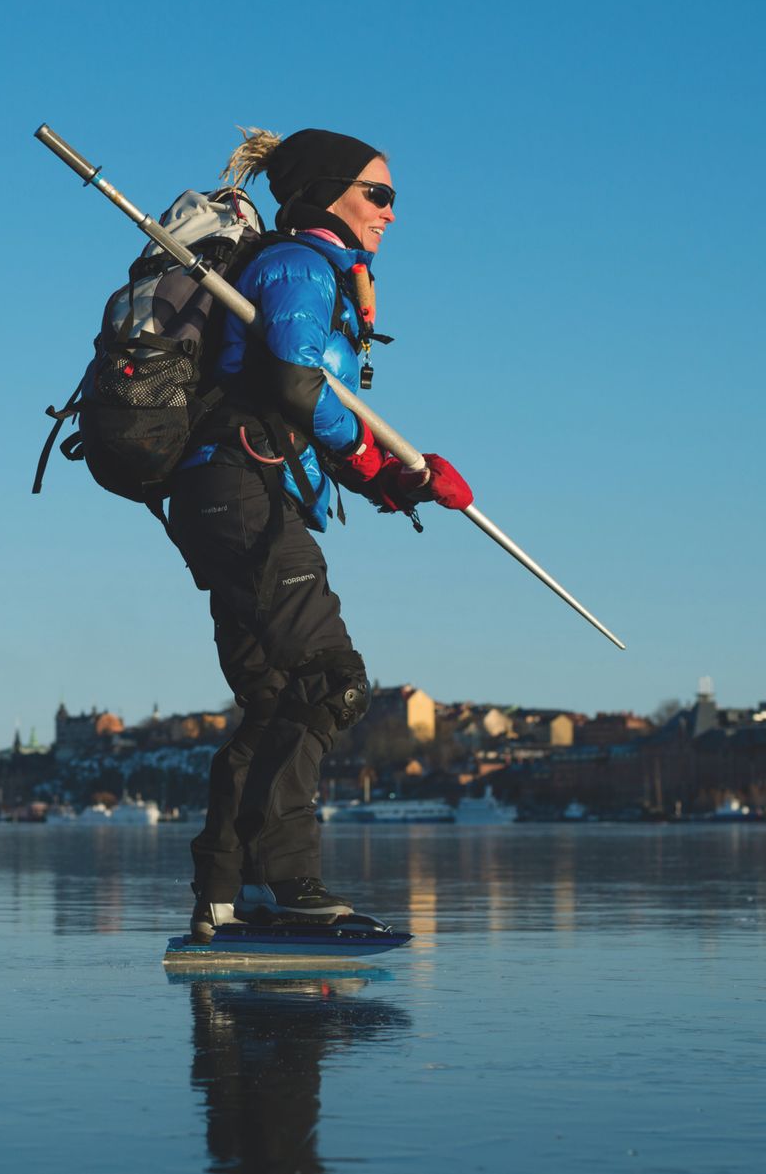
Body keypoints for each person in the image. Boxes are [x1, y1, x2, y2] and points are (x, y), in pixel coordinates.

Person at [168, 127, 474, 941]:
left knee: (273, 701)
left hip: (223, 494)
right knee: (332, 681)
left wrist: (401, 481)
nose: (391, 213)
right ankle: (289, 884)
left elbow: (298, 411)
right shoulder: (300, 267)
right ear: (330, 194)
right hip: (244, 496)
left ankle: (225, 898)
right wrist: (385, 464)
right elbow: (299, 382)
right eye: (379, 194)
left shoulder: (312, 274)